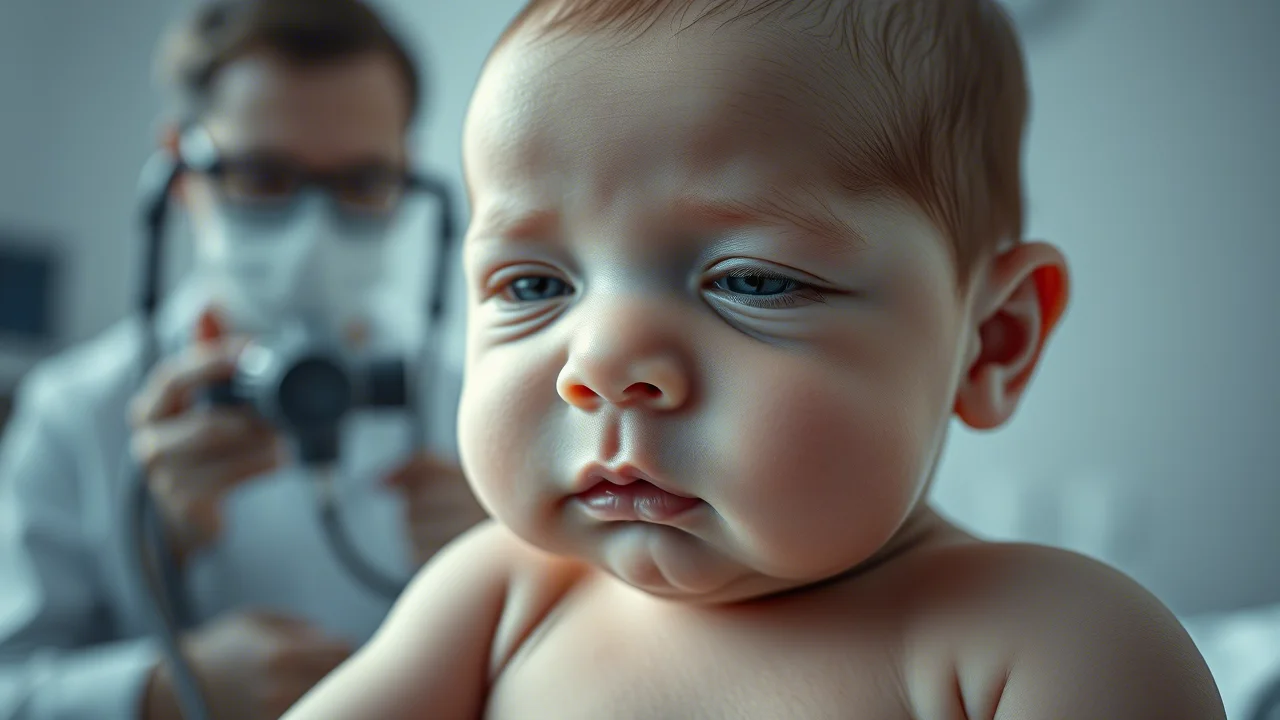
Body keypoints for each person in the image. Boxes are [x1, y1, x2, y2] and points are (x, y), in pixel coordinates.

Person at [281, 0, 1228, 718]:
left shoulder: (1050, 643)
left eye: (756, 284)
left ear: (993, 340)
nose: (602, 364)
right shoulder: (496, 594)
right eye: (531, 286)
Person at [0, 1, 487, 719]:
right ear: (181, 169)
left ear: (404, 175)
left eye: (360, 182)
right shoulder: (75, 410)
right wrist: (160, 689)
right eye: (263, 176)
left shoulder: (471, 398)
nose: (312, 233)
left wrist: (510, 563)